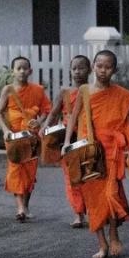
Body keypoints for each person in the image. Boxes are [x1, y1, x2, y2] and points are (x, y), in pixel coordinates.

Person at [62, 49, 129, 258]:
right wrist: (67, 143)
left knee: (111, 194)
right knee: (93, 199)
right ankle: (102, 243)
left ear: (114, 70)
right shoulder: (85, 91)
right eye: (99, 66)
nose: (103, 70)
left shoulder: (121, 95)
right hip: (88, 152)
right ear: (93, 66)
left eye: (108, 67)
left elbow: (127, 123)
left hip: (111, 151)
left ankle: (113, 235)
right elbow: (74, 120)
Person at [0, 56, 52, 222]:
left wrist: (39, 121)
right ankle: (20, 207)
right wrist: (5, 130)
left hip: (32, 136)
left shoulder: (38, 90)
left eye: (25, 68)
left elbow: (46, 110)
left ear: (30, 71)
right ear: (13, 71)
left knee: (29, 172)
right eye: (18, 68)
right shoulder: (8, 90)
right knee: (15, 169)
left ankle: (25, 206)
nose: (21, 71)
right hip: (13, 135)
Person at [44, 54, 92, 227]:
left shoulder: (93, 91)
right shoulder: (65, 92)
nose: (77, 72)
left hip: (89, 137)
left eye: (82, 68)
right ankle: (78, 214)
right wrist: (44, 129)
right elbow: (54, 113)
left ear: (90, 70)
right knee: (72, 177)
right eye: (74, 68)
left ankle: (95, 211)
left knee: (91, 175)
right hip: (69, 137)